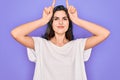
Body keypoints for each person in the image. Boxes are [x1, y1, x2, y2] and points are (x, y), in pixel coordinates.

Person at [11, 0, 110, 80]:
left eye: (65, 19)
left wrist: (76, 20)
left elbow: (104, 33)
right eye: (56, 19)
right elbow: (16, 34)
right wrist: (43, 20)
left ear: (69, 23)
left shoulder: (78, 46)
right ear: (51, 23)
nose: (61, 22)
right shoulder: (41, 45)